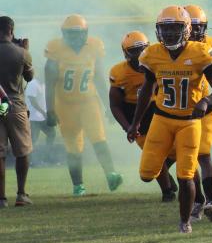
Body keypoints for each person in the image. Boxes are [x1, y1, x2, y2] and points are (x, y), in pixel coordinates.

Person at [128, 7, 212, 233]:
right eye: (165, 28)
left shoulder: (201, 52)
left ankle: (185, 221)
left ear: (187, 29)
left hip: (190, 122)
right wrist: (135, 123)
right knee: (146, 175)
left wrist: (206, 102)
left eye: (175, 28)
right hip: (161, 120)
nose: (170, 33)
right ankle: (188, 207)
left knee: (185, 175)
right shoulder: (152, 54)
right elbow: (146, 91)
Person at [44, 14, 122, 196]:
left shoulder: (94, 47)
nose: (74, 37)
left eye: (78, 33)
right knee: (73, 147)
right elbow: (50, 83)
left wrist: (109, 105)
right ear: (63, 33)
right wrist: (49, 110)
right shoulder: (56, 50)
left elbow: (100, 79)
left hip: (89, 102)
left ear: (86, 33)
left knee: (99, 138)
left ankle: (111, 174)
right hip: (65, 104)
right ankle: (78, 186)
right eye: (70, 33)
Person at [108, 31, 177, 201]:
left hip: (157, 109)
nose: (139, 54)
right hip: (134, 115)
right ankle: (167, 192)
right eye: (134, 51)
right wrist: (128, 127)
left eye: (143, 49)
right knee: (155, 155)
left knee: (175, 151)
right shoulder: (119, 73)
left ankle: (164, 172)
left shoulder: (157, 63)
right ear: (125, 53)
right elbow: (115, 105)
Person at [183, 5, 212, 221]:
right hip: (181, 111)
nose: (196, 32)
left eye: (199, 28)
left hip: (205, 109)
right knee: (189, 158)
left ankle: (209, 201)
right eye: (192, 28)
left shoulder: (210, 48)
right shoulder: (171, 50)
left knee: (203, 155)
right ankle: (198, 199)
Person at [0, 16, 34, 207]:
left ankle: (1, 198)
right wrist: (25, 50)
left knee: (0, 153)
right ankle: (21, 194)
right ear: (11, 30)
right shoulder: (21, 53)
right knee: (22, 151)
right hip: (15, 106)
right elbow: (29, 77)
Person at [25, 75, 55, 165]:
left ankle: (46, 157)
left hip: (42, 117)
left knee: (51, 134)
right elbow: (32, 101)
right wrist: (43, 112)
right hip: (33, 117)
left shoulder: (44, 84)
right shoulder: (32, 84)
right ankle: (30, 161)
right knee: (33, 140)